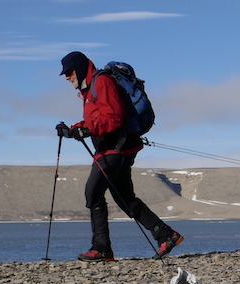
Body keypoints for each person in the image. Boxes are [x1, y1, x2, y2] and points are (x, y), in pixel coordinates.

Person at [56, 51, 182, 262]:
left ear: (78, 68)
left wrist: (86, 131)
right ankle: (167, 235)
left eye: (69, 72)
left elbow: (113, 118)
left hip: (116, 149)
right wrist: (72, 130)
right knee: (125, 199)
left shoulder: (102, 82)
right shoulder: (90, 90)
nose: (67, 77)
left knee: (93, 192)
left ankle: (101, 248)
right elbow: (97, 119)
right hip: (117, 148)